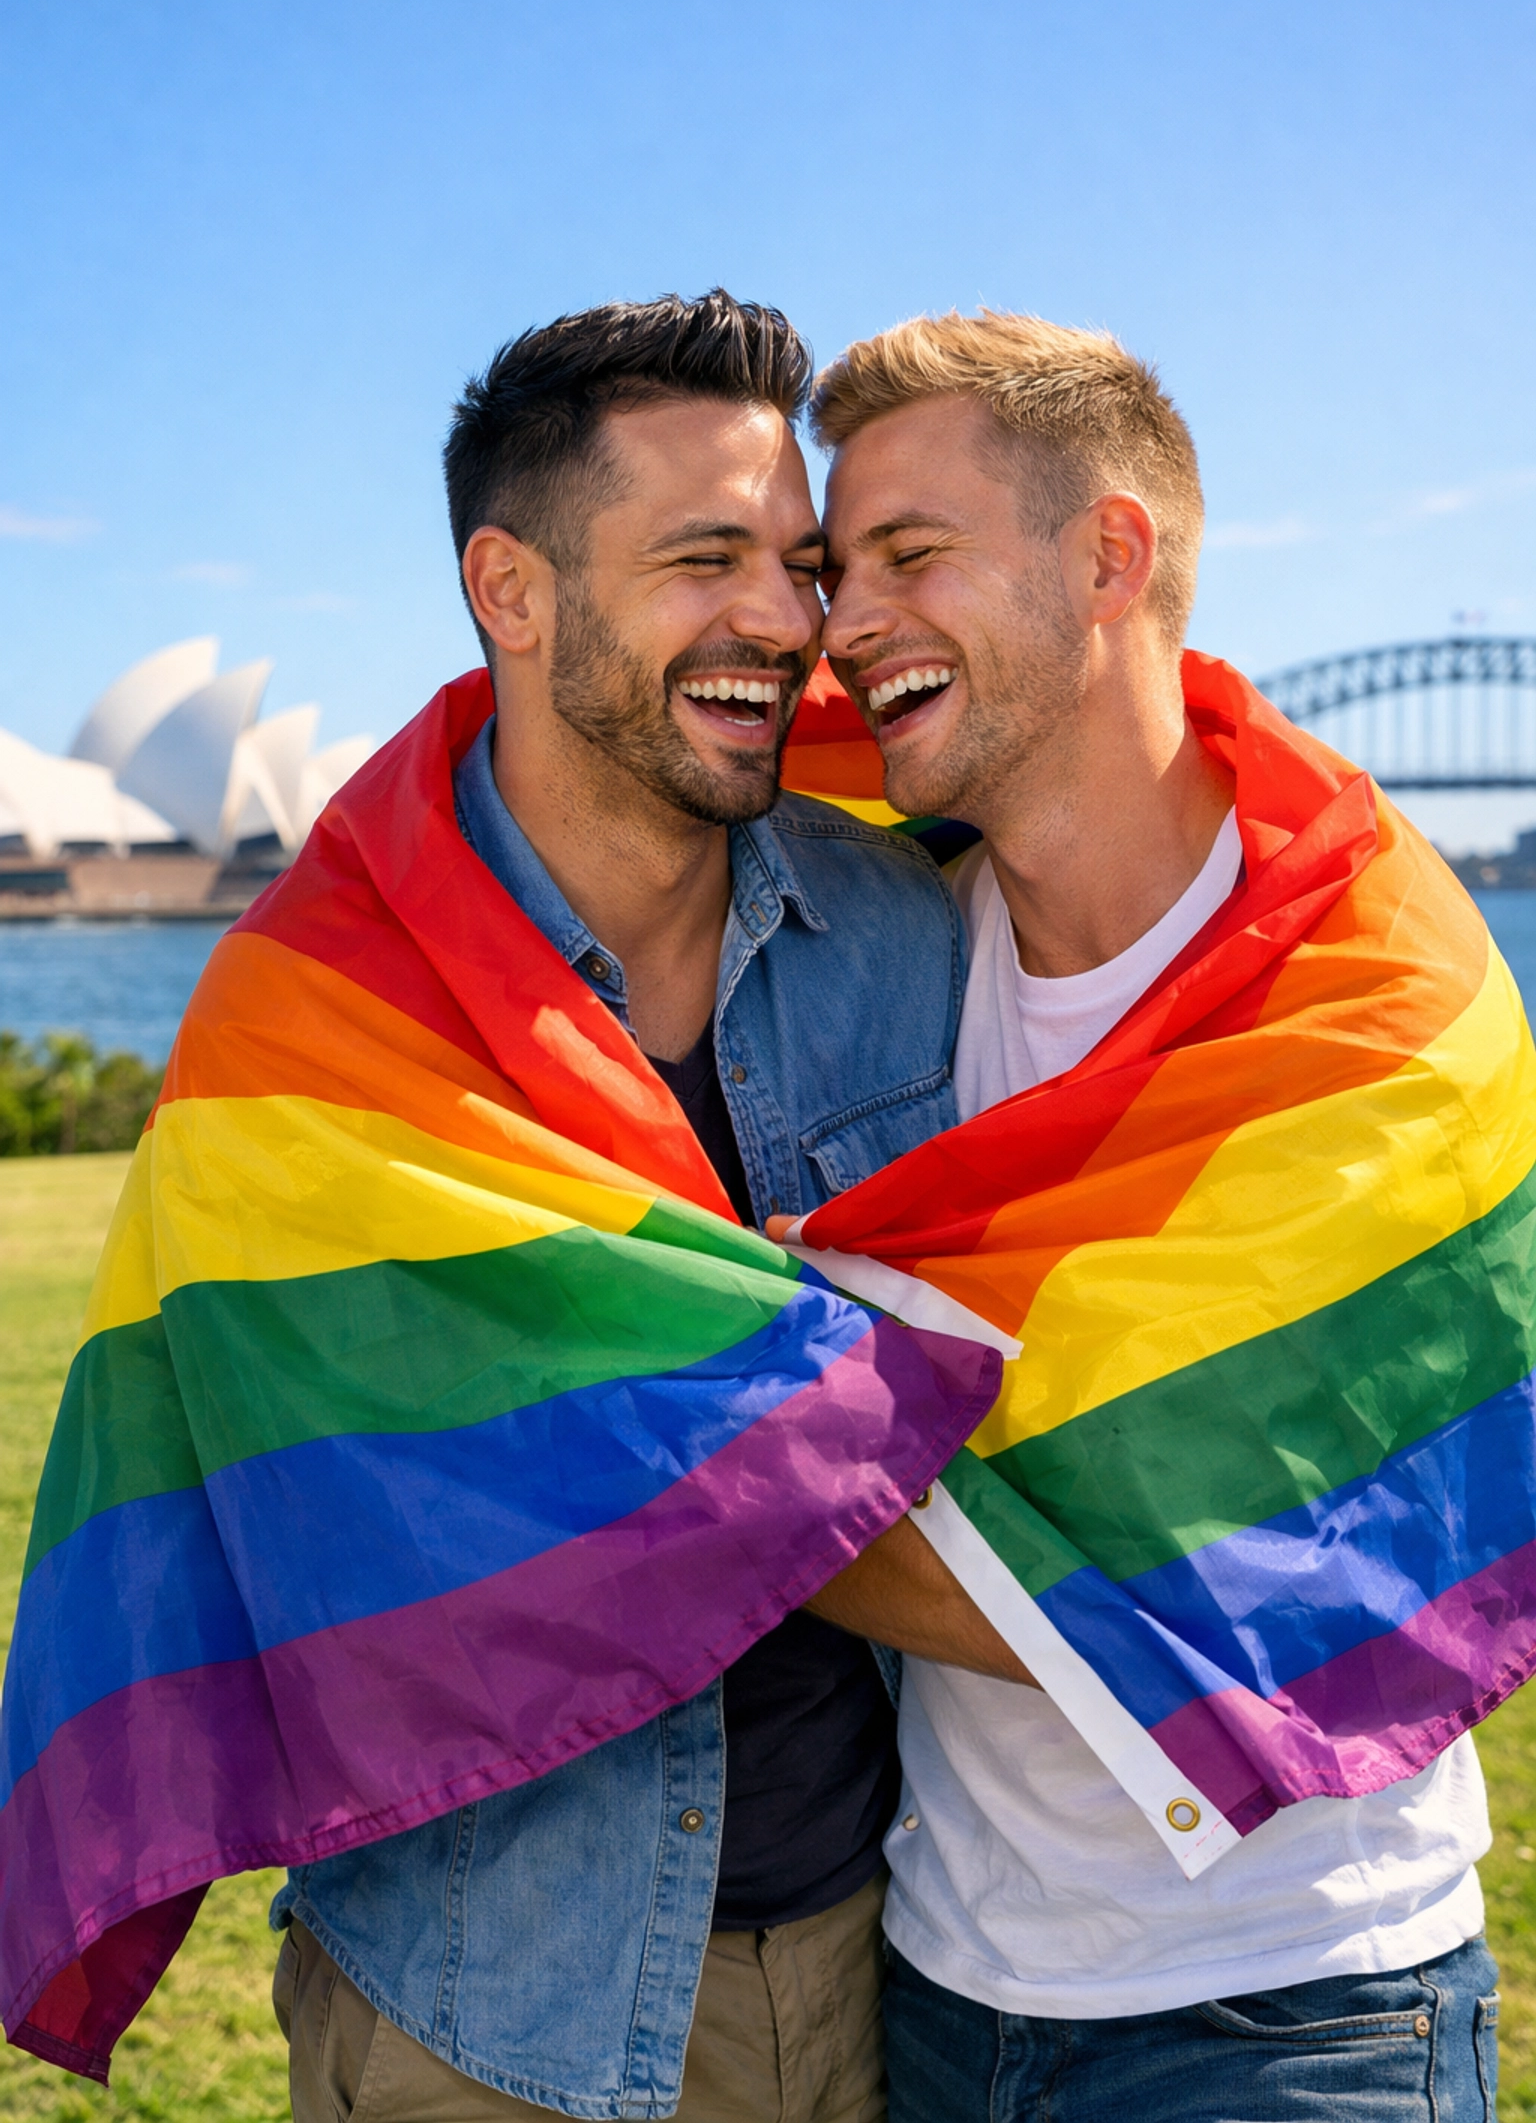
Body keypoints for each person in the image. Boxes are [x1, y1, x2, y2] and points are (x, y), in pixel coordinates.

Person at [267, 292, 974, 2123]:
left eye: (798, 562)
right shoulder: (333, 1008)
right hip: (484, 2001)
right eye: (702, 556)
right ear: (511, 590)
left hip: (881, 1963)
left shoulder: (909, 936)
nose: (782, 621)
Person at [804, 309, 1501, 2123]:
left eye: (911, 554)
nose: (844, 620)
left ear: (1109, 554)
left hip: (1290, 2019)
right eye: (836, 567)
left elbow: (1272, 1548)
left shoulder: (1373, 1001)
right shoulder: (862, 967)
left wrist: (710, 1484)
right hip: (942, 1986)